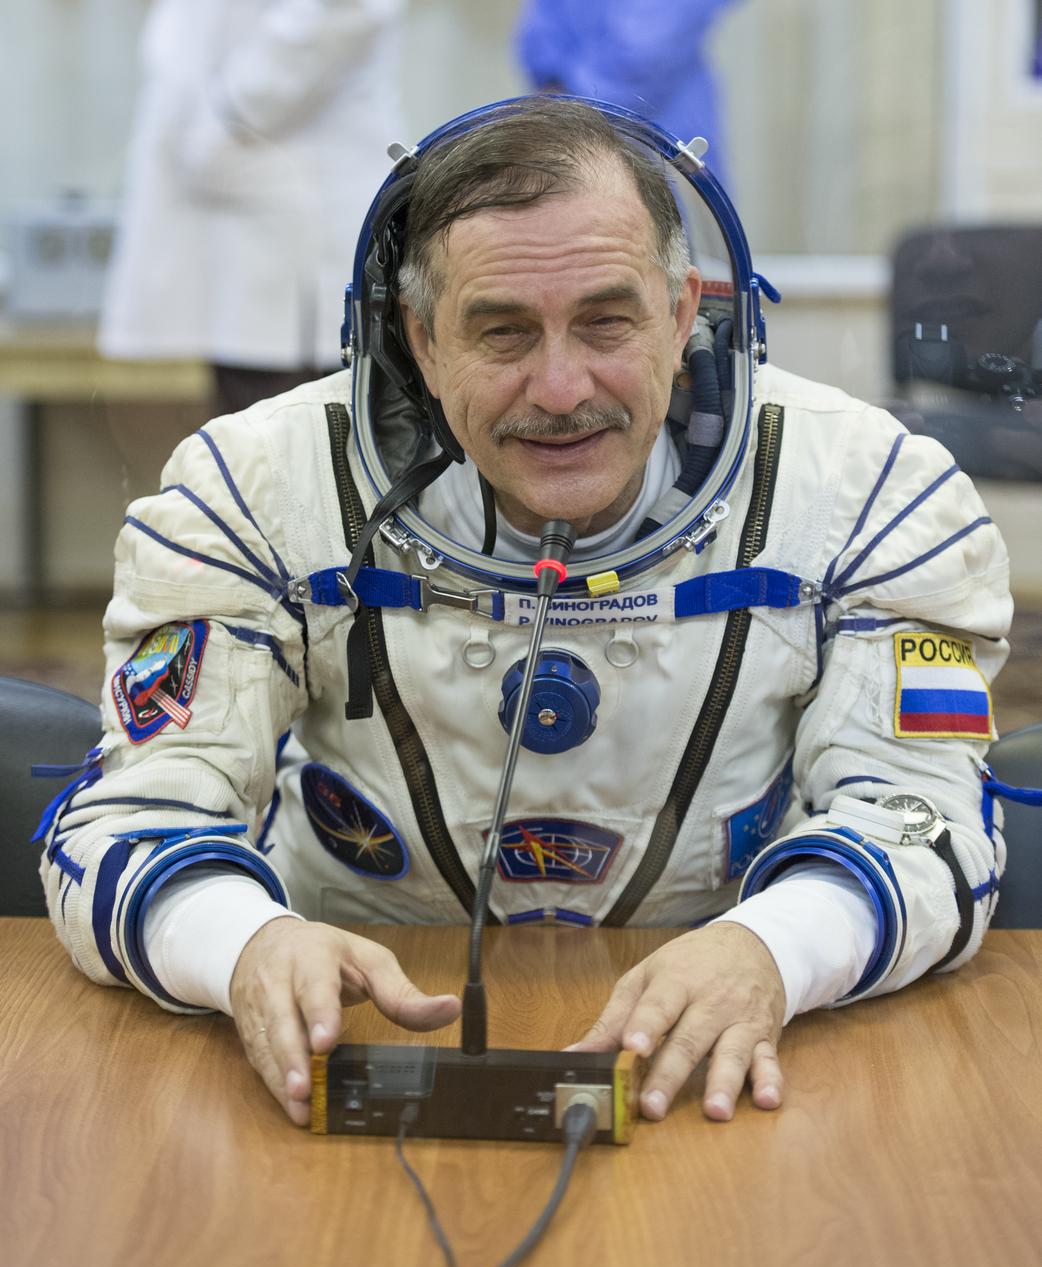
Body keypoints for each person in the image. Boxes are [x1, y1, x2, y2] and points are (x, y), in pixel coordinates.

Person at [42, 97, 1011, 1131]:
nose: (559, 387)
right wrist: (240, 943)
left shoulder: (875, 491)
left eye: (607, 320)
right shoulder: (249, 488)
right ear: (416, 339)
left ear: (684, 312)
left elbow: (929, 818)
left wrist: (779, 948)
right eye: (501, 331)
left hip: (720, 1040)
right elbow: (129, 819)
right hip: (360, 1025)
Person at [98, 0, 406, 416]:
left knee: (299, 441)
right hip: (235, 208)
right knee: (251, 444)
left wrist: (231, 115)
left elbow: (344, 10)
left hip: (288, 208)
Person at [515, 0, 738, 189]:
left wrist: (567, 100)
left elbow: (650, 47)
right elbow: (543, 39)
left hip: (656, 117)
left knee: (663, 227)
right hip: (566, 113)